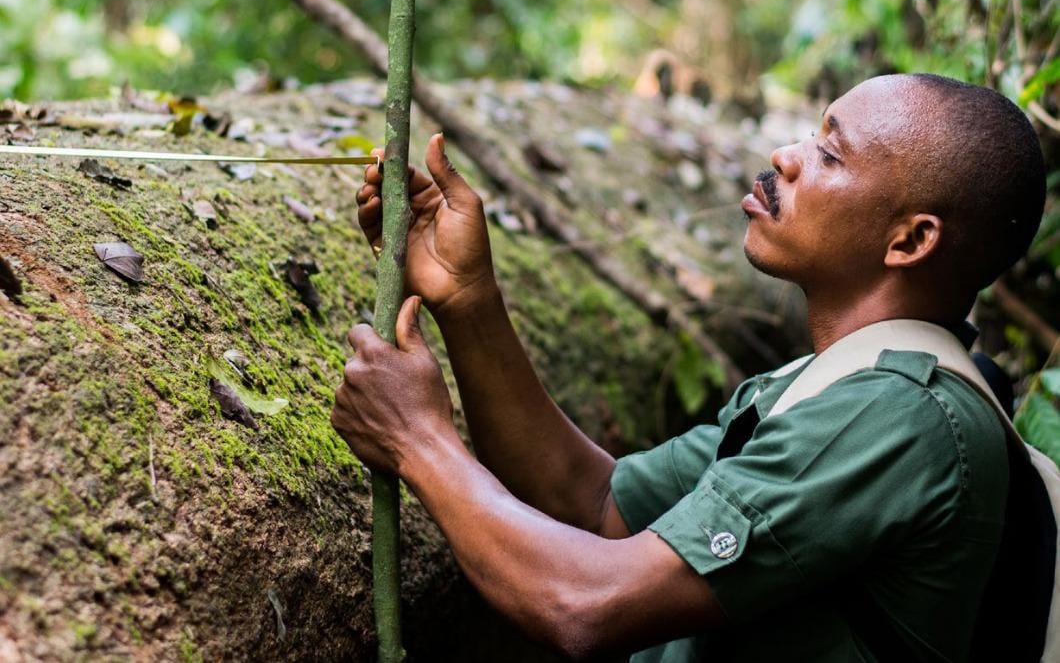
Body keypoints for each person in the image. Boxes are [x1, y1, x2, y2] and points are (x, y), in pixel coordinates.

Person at [331, 73, 1047, 661]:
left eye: (829, 156)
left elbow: (586, 605)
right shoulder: (821, 386)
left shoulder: (898, 416)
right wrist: (468, 299)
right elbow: (596, 504)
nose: (785, 155)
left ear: (910, 239)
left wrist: (419, 443)